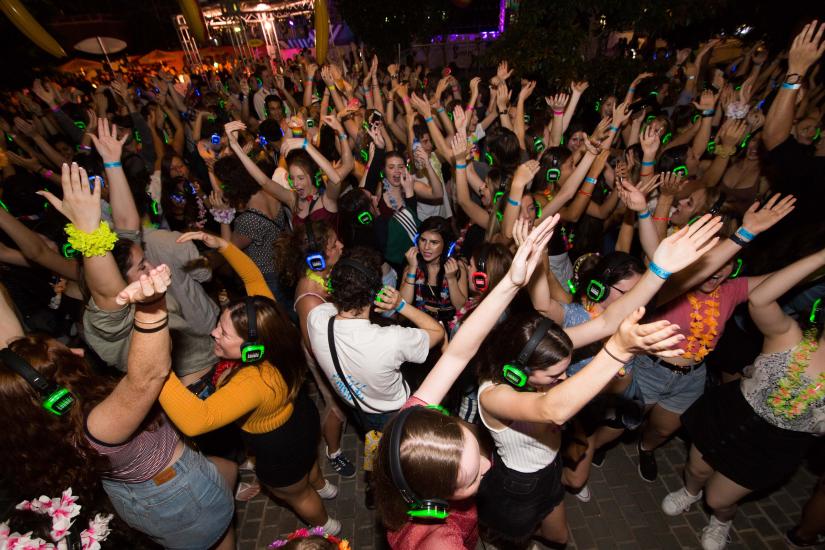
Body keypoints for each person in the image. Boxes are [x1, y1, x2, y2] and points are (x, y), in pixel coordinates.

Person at [159, 229, 342, 535]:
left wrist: (155, 363)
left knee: (294, 493)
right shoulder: (273, 330)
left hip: (278, 445)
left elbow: (195, 420)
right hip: (300, 417)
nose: (214, 334)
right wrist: (224, 246)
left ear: (250, 349)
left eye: (223, 333)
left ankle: (328, 526)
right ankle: (323, 486)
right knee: (308, 465)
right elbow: (255, 282)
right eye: (219, 325)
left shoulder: (253, 381)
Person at [662, 248, 825, 550]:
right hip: (730, 414)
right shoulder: (790, 337)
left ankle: (722, 520)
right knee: (696, 470)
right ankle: (689, 491)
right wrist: (821, 258)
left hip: (774, 446)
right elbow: (761, 298)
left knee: (718, 498)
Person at [306, 245, 446, 507]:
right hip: (395, 412)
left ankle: (373, 484)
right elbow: (436, 333)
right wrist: (401, 305)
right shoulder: (389, 340)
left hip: (359, 407)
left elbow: (327, 304)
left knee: (373, 440)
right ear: (374, 294)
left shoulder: (316, 319)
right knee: (399, 455)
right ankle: (394, 486)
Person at [273, 220, 357, 478]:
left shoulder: (322, 275)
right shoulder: (310, 298)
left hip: (334, 348)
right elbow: (315, 348)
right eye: (334, 245)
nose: (341, 246)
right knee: (337, 407)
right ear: (317, 258)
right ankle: (333, 451)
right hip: (323, 360)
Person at [401, 216, 468, 324]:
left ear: (445, 245)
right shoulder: (412, 264)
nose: (426, 247)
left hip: (448, 327)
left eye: (434, 242)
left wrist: (451, 279)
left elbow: (461, 307)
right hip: (420, 326)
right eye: (423, 240)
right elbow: (404, 303)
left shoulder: (457, 266)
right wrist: (412, 268)